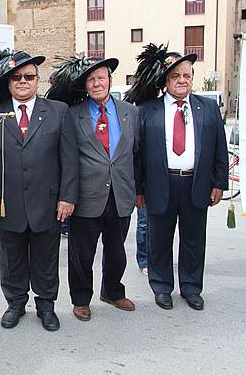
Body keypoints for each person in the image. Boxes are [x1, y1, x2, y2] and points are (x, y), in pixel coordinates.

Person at [0, 51, 79, 331]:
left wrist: (67, 197)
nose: (23, 81)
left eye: (28, 77)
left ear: (38, 80)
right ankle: (15, 303)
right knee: (11, 258)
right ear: (9, 82)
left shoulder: (58, 111)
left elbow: (69, 159)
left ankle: (46, 305)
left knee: (47, 257)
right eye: (16, 77)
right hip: (5, 202)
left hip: (47, 202)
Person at [133, 51, 228, 311]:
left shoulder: (207, 107)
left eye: (186, 75)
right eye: (175, 76)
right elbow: (137, 155)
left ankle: (191, 288)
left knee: (194, 241)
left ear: (192, 78)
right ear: (166, 80)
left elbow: (220, 148)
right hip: (160, 185)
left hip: (196, 184)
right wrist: (138, 189)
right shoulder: (146, 111)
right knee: (159, 240)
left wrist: (219, 183)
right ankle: (162, 287)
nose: (181, 80)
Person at [63, 58, 139, 322]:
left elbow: (136, 154)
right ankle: (81, 299)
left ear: (110, 79)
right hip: (85, 196)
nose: (97, 83)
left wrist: (138, 190)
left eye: (101, 78)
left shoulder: (130, 112)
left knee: (117, 249)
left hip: (121, 195)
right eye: (91, 79)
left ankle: (113, 292)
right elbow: (66, 158)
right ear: (85, 84)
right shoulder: (73, 114)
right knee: (82, 255)